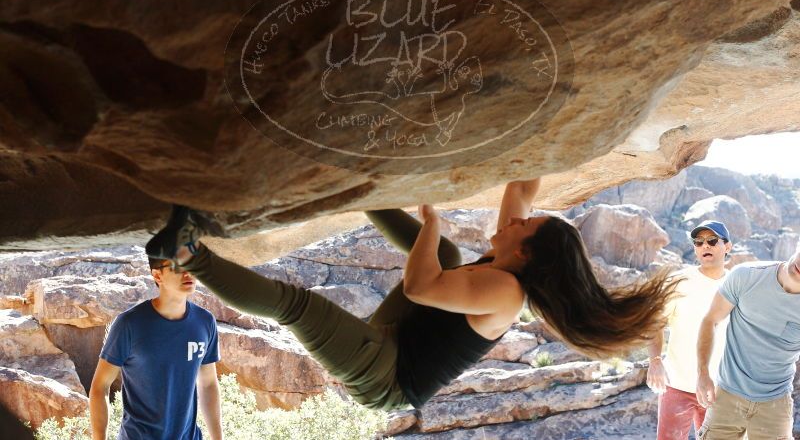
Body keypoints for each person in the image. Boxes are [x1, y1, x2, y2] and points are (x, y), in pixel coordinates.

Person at [146, 178, 680, 411]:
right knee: (447, 256)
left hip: (388, 379)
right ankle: (357, 188)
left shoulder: (504, 290)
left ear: (528, 252)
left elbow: (419, 285)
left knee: (298, 305)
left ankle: (188, 254)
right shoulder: (509, 262)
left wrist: (429, 220)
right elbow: (520, 189)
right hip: (396, 339)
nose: (518, 219)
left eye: (529, 224)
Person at [89, 250, 223, 439]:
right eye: (177, 266)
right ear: (157, 275)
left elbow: (208, 384)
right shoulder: (129, 324)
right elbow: (100, 386)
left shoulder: (205, 321)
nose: (188, 273)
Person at [696, 244, 800, 439]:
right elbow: (711, 320)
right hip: (726, 396)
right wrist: (703, 373)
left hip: (775, 404)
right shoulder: (746, 276)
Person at [646, 220, 732, 440]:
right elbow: (655, 322)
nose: (705, 246)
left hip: (720, 390)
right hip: (676, 385)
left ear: (727, 247)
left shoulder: (736, 284)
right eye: (699, 242)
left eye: (712, 241)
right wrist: (655, 360)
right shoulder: (679, 282)